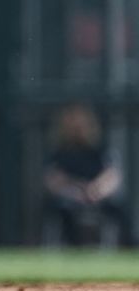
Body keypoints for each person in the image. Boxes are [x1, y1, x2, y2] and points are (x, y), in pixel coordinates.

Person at [42, 103, 134, 247]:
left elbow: (112, 176)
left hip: (96, 196)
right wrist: (75, 192)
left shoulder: (100, 151)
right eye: (73, 124)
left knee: (119, 207)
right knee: (59, 209)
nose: (77, 128)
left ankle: (129, 247)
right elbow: (53, 180)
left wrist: (96, 191)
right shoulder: (59, 153)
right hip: (69, 197)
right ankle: (72, 249)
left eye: (81, 124)